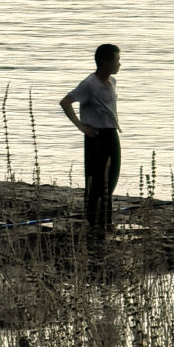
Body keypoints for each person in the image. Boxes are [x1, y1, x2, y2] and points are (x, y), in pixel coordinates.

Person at [59, 44, 121, 234]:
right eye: (117, 60)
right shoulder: (89, 84)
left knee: (111, 178)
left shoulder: (112, 81)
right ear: (105, 62)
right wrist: (81, 126)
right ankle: (94, 223)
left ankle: (107, 221)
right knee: (96, 180)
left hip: (112, 133)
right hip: (96, 136)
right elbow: (65, 102)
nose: (119, 64)